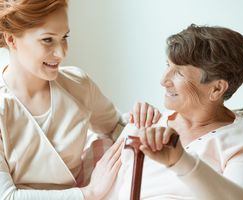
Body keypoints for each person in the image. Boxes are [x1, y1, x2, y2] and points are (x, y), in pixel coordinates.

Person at [0, 0, 161, 199]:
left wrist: (142, 120)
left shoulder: (78, 85)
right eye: (48, 40)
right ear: (11, 39)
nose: (62, 53)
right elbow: (6, 196)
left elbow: (117, 128)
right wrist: (89, 193)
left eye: (64, 37)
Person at [104, 24, 243, 200]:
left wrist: (181, 162)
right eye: (167, 65)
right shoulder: (144, 122)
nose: (163, 80)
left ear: (217, 89)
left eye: (179, 73)